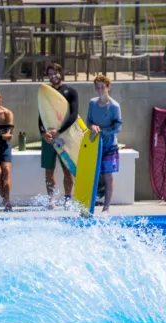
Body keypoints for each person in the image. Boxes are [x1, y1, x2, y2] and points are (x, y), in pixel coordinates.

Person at [39, 63, 78, 208]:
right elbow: (41, 116)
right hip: (49, 137)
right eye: (50, 74)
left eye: (55, 73)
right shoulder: (46, 93)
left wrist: (60, 131)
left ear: (61, 73)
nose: (53, 76)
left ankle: (67, 198)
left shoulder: (70, 92)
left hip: (65, 136)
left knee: (67, 169)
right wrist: (43, 133)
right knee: (49, 170)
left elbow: (73, 115)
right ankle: (51, 199)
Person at [84, 74, 122, 213]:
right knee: (92, 174)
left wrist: (102, 131)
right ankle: (90, 203)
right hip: (94, 145)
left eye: (102, 87)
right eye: (97, 87)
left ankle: (106, 207)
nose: (100, 90)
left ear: (108, 87)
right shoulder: (92, 103)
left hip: (109, 145)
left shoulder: (114, 106)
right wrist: (92, 127)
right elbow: (88, 121)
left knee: (107, 176)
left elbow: (118, 128)